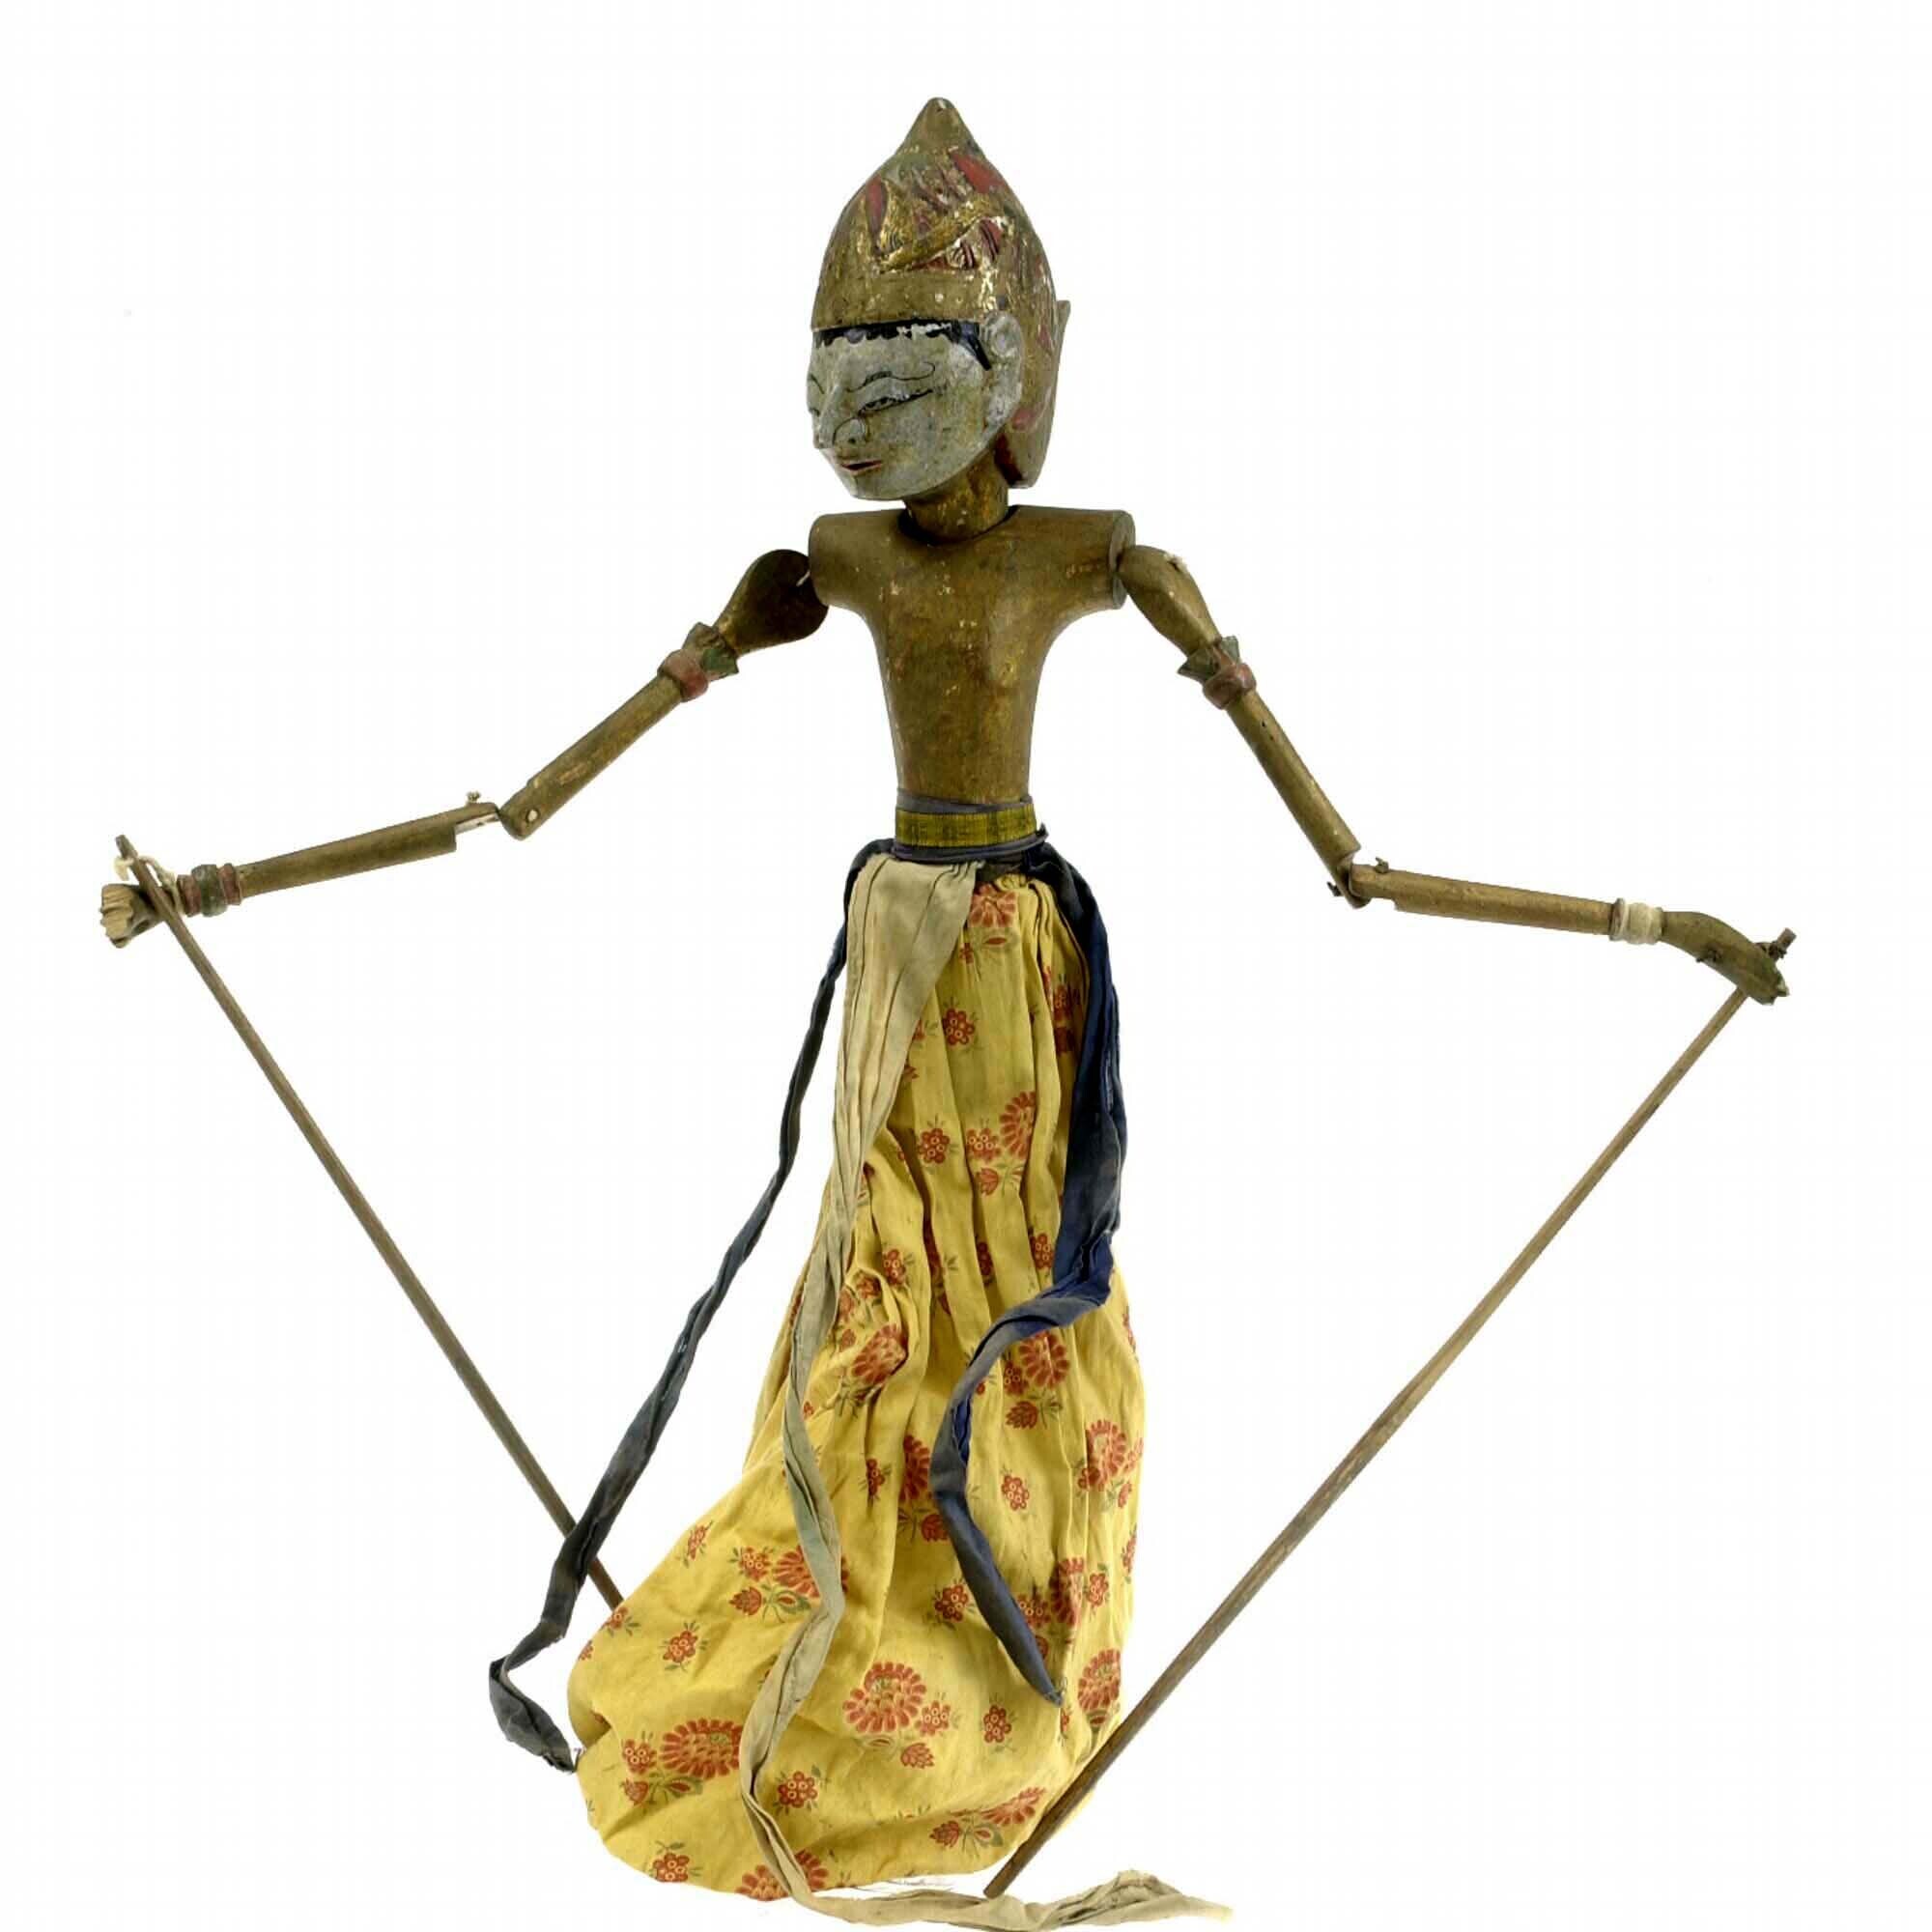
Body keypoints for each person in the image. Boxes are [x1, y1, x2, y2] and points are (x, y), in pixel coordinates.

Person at [100, 97, 1784, 1925]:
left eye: (903, 374)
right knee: (877, 1300)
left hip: (1010, 960)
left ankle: (980, 1659)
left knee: (1014, 1300)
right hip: (902, 950)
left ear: (1012, 375)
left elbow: (1354, 862)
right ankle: (848, 1652)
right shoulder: (831, 564)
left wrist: (1655, 928)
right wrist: (222, 889)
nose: (859, 420)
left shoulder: (1098, 557)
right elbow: (530, 803)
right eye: (836, 380)